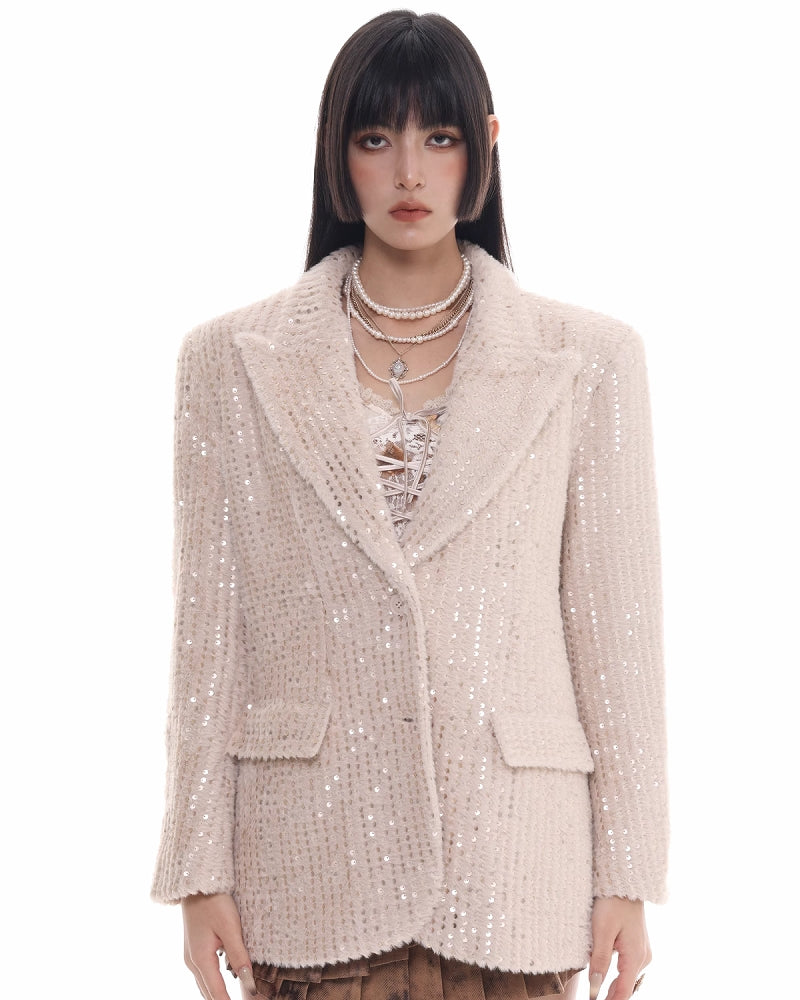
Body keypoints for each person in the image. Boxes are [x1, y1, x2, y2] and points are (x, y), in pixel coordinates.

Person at [151, 11, 668, 1000]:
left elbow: (617, 637)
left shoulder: (589, 360)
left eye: (439, 137)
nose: (407, 172)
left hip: (515, 875)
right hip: (306, 874)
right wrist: (195, 868)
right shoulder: (226, 362)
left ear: (485, 146)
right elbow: (209, 637)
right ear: (334, 153)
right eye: (374, 137)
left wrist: (629, 873)